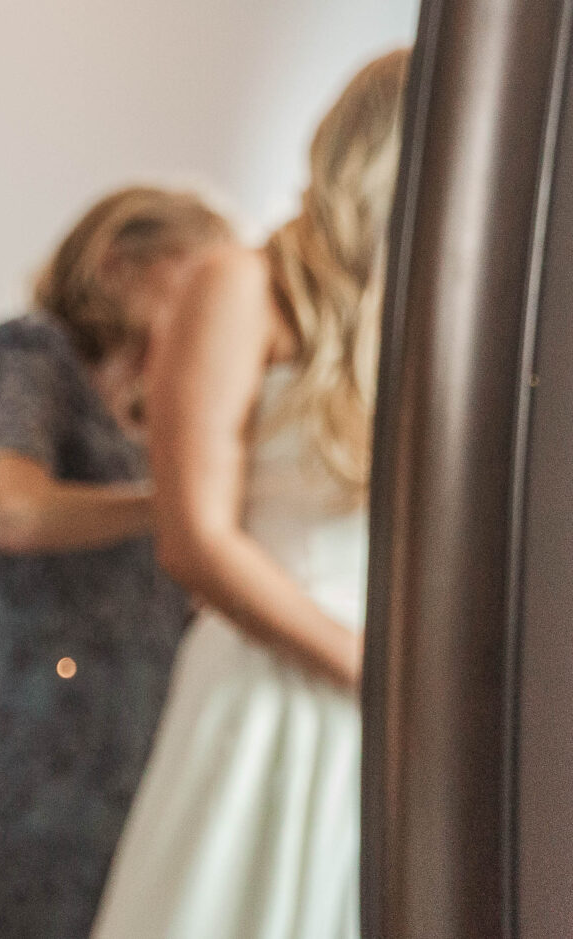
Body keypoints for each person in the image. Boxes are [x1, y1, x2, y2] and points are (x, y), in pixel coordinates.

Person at [90, 49, 408, 939]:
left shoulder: (427, 320)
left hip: (382, 721)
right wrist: (369, 669)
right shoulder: (241, 284)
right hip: (269, 693)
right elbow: (193, 535)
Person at [0, 186, 230, 939]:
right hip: (46, 764)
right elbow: (15, 510)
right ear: (117, 266)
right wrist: (171, 505)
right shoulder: (32, 354)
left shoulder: (150, 418)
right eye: (192, 280)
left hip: (147, 761)